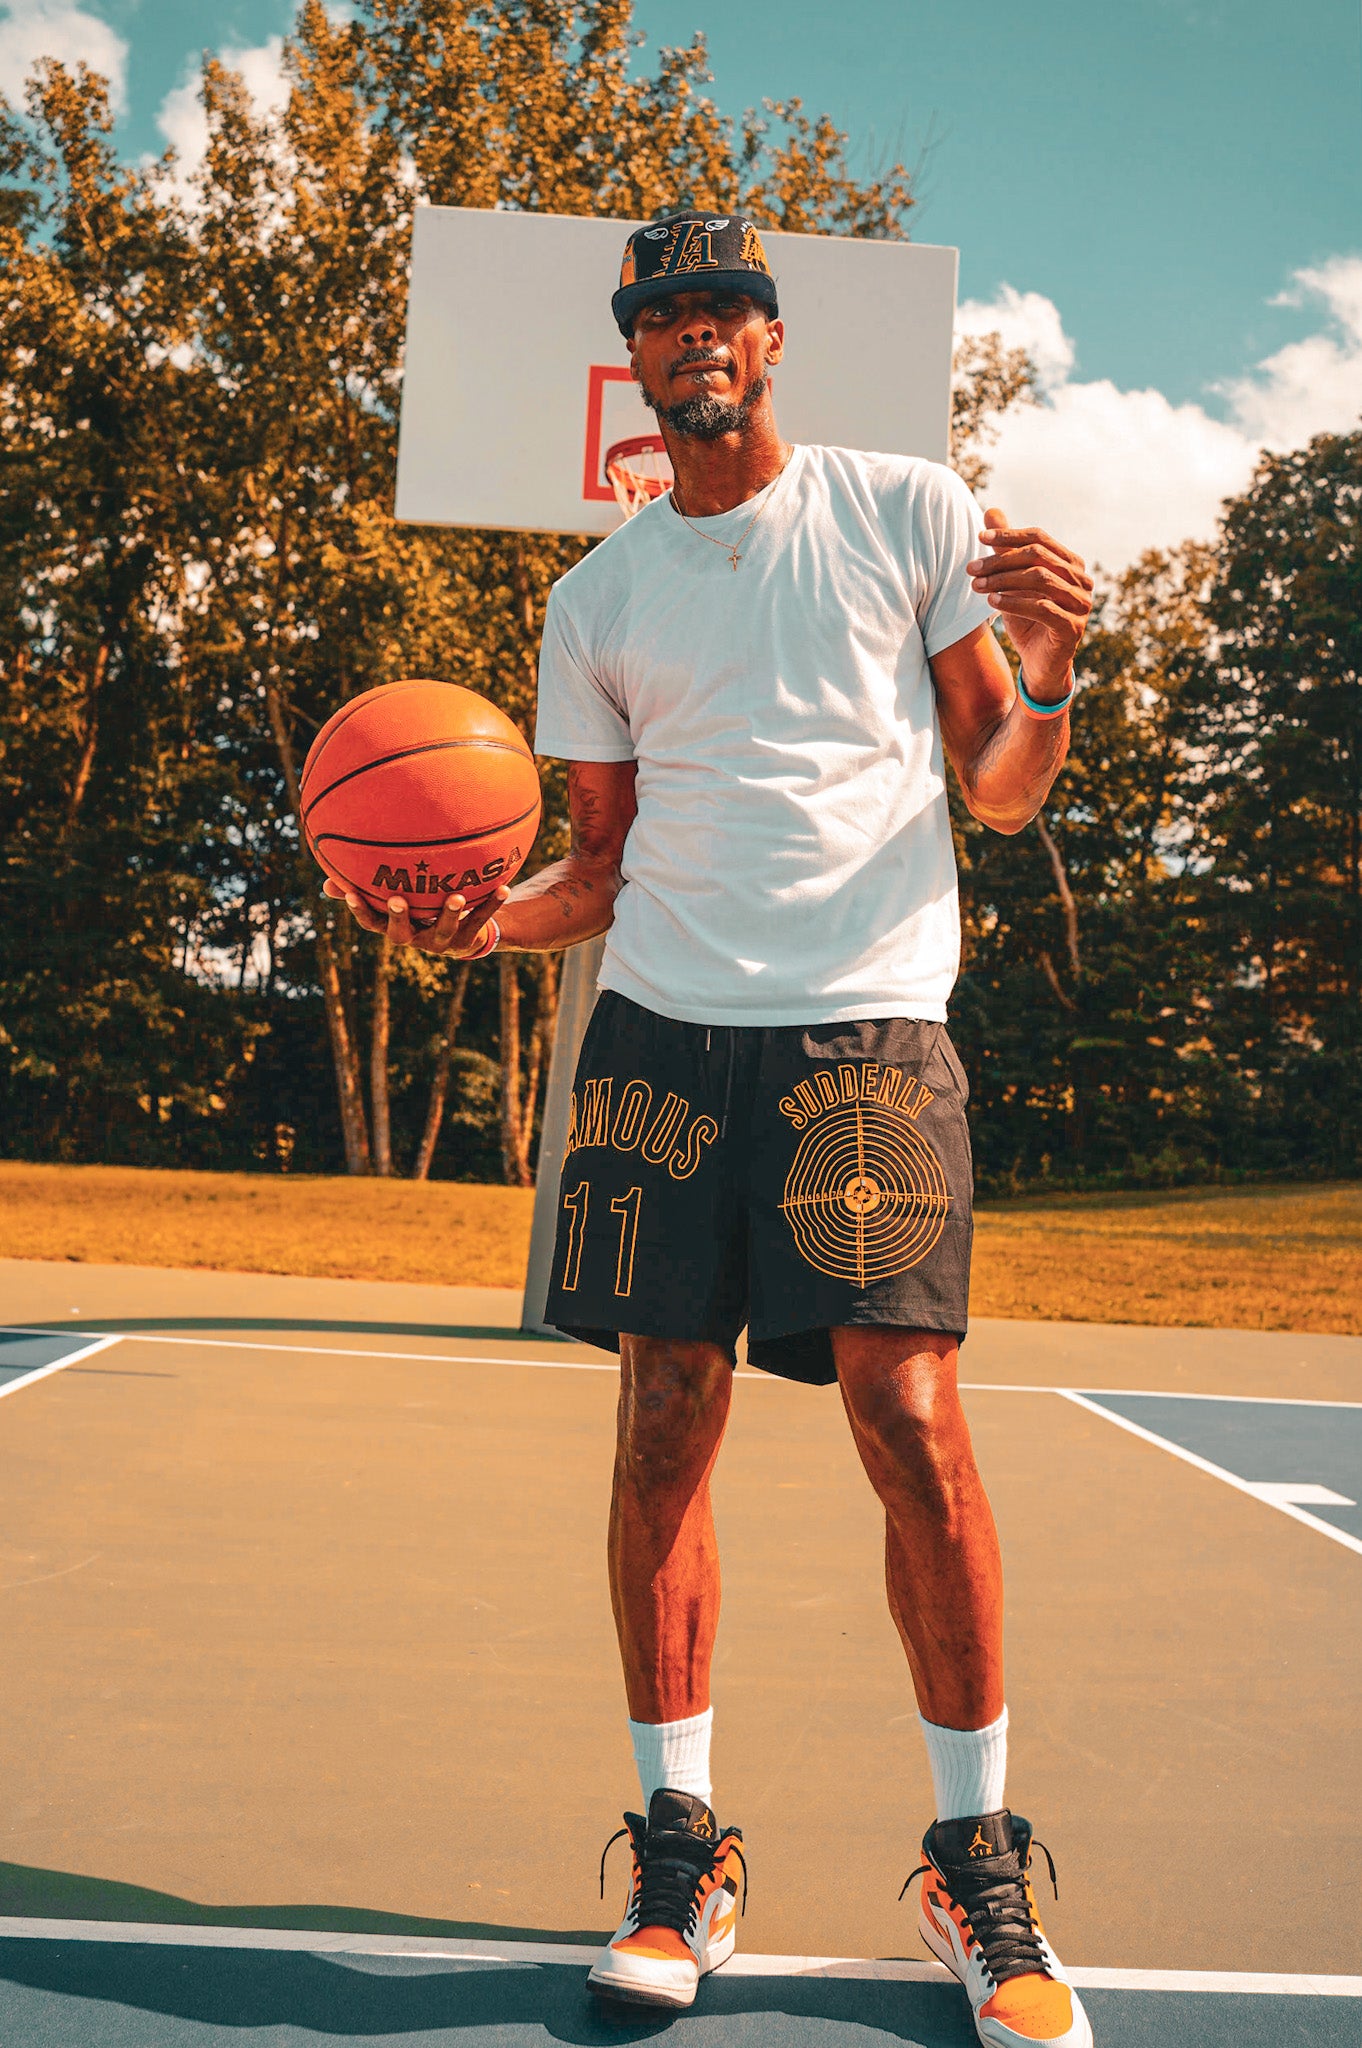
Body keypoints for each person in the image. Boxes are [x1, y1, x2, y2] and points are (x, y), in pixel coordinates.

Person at [330, 209, 1096, 2048]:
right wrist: (471, 923)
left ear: (768, 336)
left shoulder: (905, 508)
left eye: (718, 307)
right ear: (632, 362)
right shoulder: (594, 603)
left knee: (907, 1421)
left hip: (867, 1037)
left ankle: (972, 1868)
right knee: (660, 1423)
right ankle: (683, 1848)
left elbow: (995, 790)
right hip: (667, 1041)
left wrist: (1056, 675)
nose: (690, 334)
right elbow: (590, 872)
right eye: (656, 313)